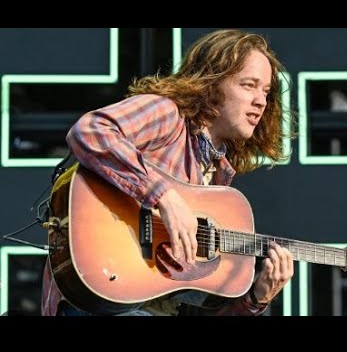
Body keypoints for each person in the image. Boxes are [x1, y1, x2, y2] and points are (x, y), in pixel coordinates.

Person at [41, 29, 294, 316]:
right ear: (211, 83)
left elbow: (192, 300)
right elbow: (91, 130)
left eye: (266, 91)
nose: (260, 101)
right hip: (99, 298)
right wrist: (163, 196)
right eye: (249, 85)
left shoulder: (219, 175)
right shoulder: (167, 114)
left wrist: (256, 300)